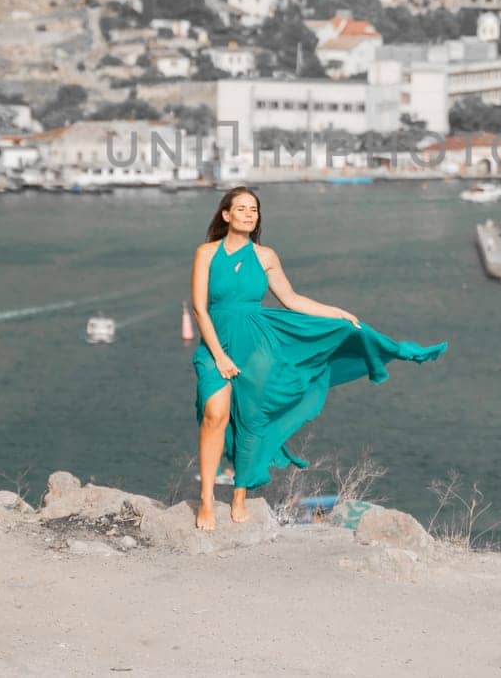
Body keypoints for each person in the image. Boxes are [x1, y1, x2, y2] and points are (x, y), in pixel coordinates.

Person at [190, 186, 448, 531]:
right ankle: (207, 498)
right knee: (214, 413)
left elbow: (292, 300)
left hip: (257, 347)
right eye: (242, 209)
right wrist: (219, 356)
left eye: (254, 210)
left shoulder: (265, 256)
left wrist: (336, 313)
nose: (250, 214)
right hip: (215, 347)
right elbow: (199, 308)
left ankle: (238, 496)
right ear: (226, 215)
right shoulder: (206, 253)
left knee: (252, 420)